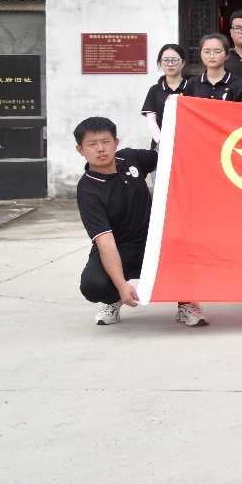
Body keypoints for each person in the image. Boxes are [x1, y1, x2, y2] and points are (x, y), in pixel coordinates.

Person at [73, 116, 208, 327]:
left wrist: (176, 116)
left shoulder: (129, 158)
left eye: (106, 141)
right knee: (93, 286)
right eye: (92, 144)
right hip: (119, 249)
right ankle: (113, 299)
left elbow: (167, 152)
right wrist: (121, 285)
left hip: (155, 244)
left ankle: (186, 303)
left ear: (115, 143)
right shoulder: (87, 189)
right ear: (80, 150)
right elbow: (105, 241)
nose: (100, 148)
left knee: (196, 249)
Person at [141, 43, 187, 146]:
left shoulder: (192, 87)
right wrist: (162, 142)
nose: (170, 64)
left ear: (183, 62)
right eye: (165, 60)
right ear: (160, 63)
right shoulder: (155, 90)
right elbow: (151, 121)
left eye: (174, 60)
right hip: (161, 145)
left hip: (187, 143)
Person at [183, 33, 242, 100]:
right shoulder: (193, 83)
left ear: (227, 55)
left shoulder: (237, 83)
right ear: (200, 55)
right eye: (207, 52)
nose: (212, 56)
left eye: (217, 52)